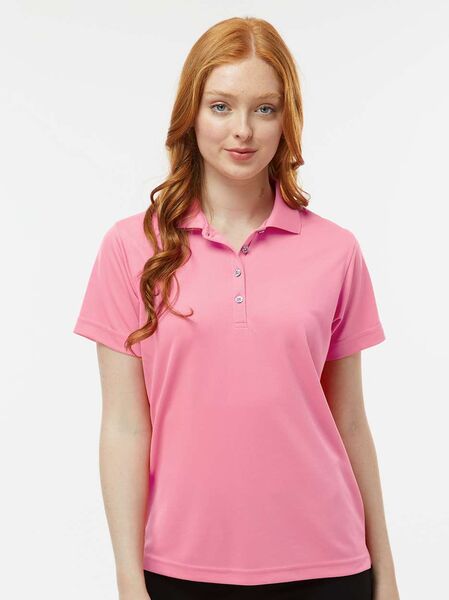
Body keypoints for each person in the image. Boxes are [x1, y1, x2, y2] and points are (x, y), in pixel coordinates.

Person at [73, 16, 400, 600]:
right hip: (177, 568)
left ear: (286, 118)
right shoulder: (130, 248)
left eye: (264, 109)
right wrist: (128, 579)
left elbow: (350, 420)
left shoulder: (336, 250)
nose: (242, 130)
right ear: (191, 114)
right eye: (221, 106)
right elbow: (124, 426)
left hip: (327, 563)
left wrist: (387, 575)